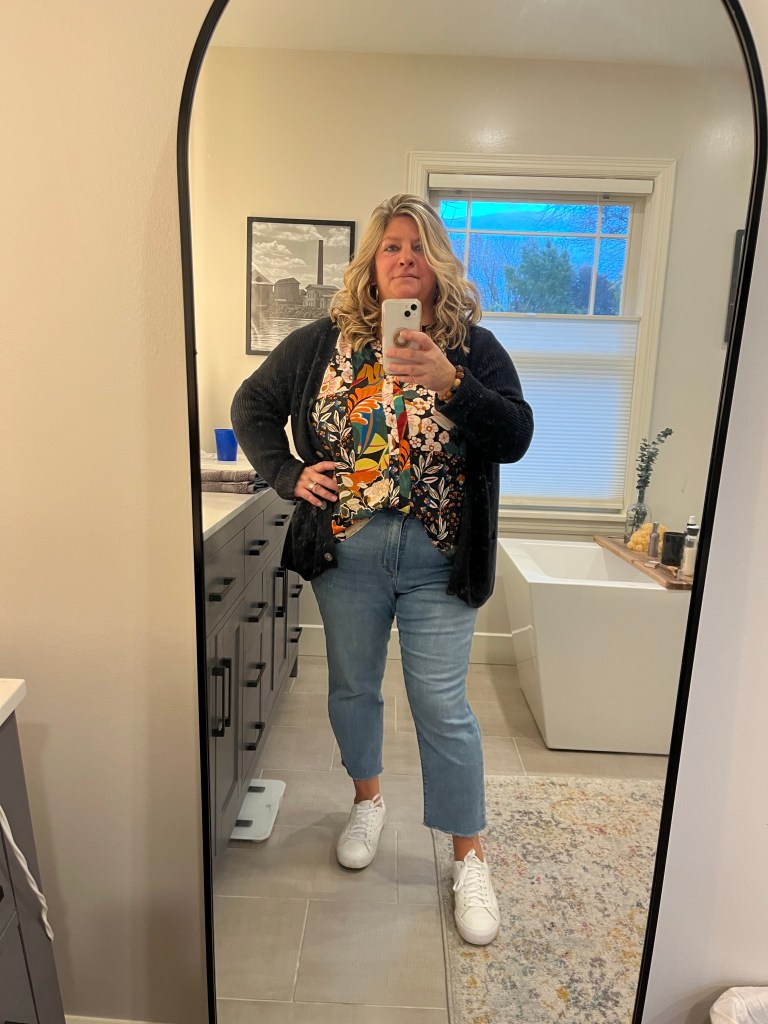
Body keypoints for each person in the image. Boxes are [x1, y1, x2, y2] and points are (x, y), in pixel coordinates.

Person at [231, 194, 533, 946]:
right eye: (392, 246)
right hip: (348, 553)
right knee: (352, 688)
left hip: (440, 558)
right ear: (372, 263)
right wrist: (287, 473)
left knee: (443, 706)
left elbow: (516, 436)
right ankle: (367, 801)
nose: (405, 258)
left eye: (418, 246)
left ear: (438, 264)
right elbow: (252, 404)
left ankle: (469, 855)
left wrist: (450, 380)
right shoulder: (320, 343)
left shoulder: (473, 348)